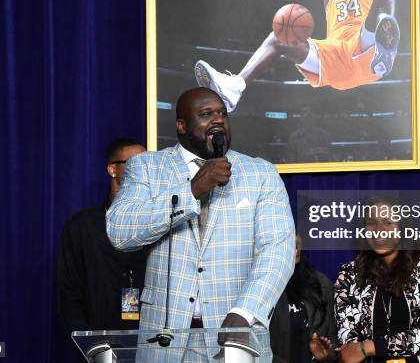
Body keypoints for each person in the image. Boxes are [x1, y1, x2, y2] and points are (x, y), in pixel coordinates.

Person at [106, 88, 295, 361]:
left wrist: (245, 311)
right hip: (165, 342)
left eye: (222, 113)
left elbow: (278, 250)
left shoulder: (260, 173)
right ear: (181, 125)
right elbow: (119, 230)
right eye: (206, 114)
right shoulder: (147, 167)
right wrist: (191, 192)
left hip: (234, 340)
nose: (217, 120)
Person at [194, 0, 400, 112]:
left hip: (365, 50)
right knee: (280, 37)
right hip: (335, 56)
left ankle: (384, 51)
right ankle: (234, 87)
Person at [325, 197, 420, 363]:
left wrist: (368, 347)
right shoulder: (349, 274)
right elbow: (349, 344)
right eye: (372, 222)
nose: (379, 229)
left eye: (388, 222)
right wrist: (359, 349)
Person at [56, 138, 147, 334]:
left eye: (147, 163)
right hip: (96, 341)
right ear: (112, 169)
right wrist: (90, 343)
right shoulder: (83, 225)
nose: (144, 170)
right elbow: (68, 293)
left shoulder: (157, 223)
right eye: (135, 163)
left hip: (148, 343)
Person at [270, 234, 338, 363]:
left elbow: (334, 345)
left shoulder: (321, 284)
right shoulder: (258, 288)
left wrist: (325, 356)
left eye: (294, 231)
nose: (295, 241)